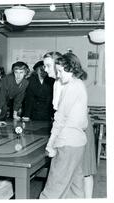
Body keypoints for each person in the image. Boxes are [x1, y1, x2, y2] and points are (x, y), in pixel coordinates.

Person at [43, 51, 97, 198]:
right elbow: (82, 120)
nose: (58, 74)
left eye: (59, 71)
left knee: (52, 189)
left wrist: (51, 144)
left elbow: (60, 118)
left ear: (70, 69)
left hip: (67, 141)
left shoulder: (70, 86)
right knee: (75, 186)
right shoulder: (79, 84)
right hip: (78, 142)